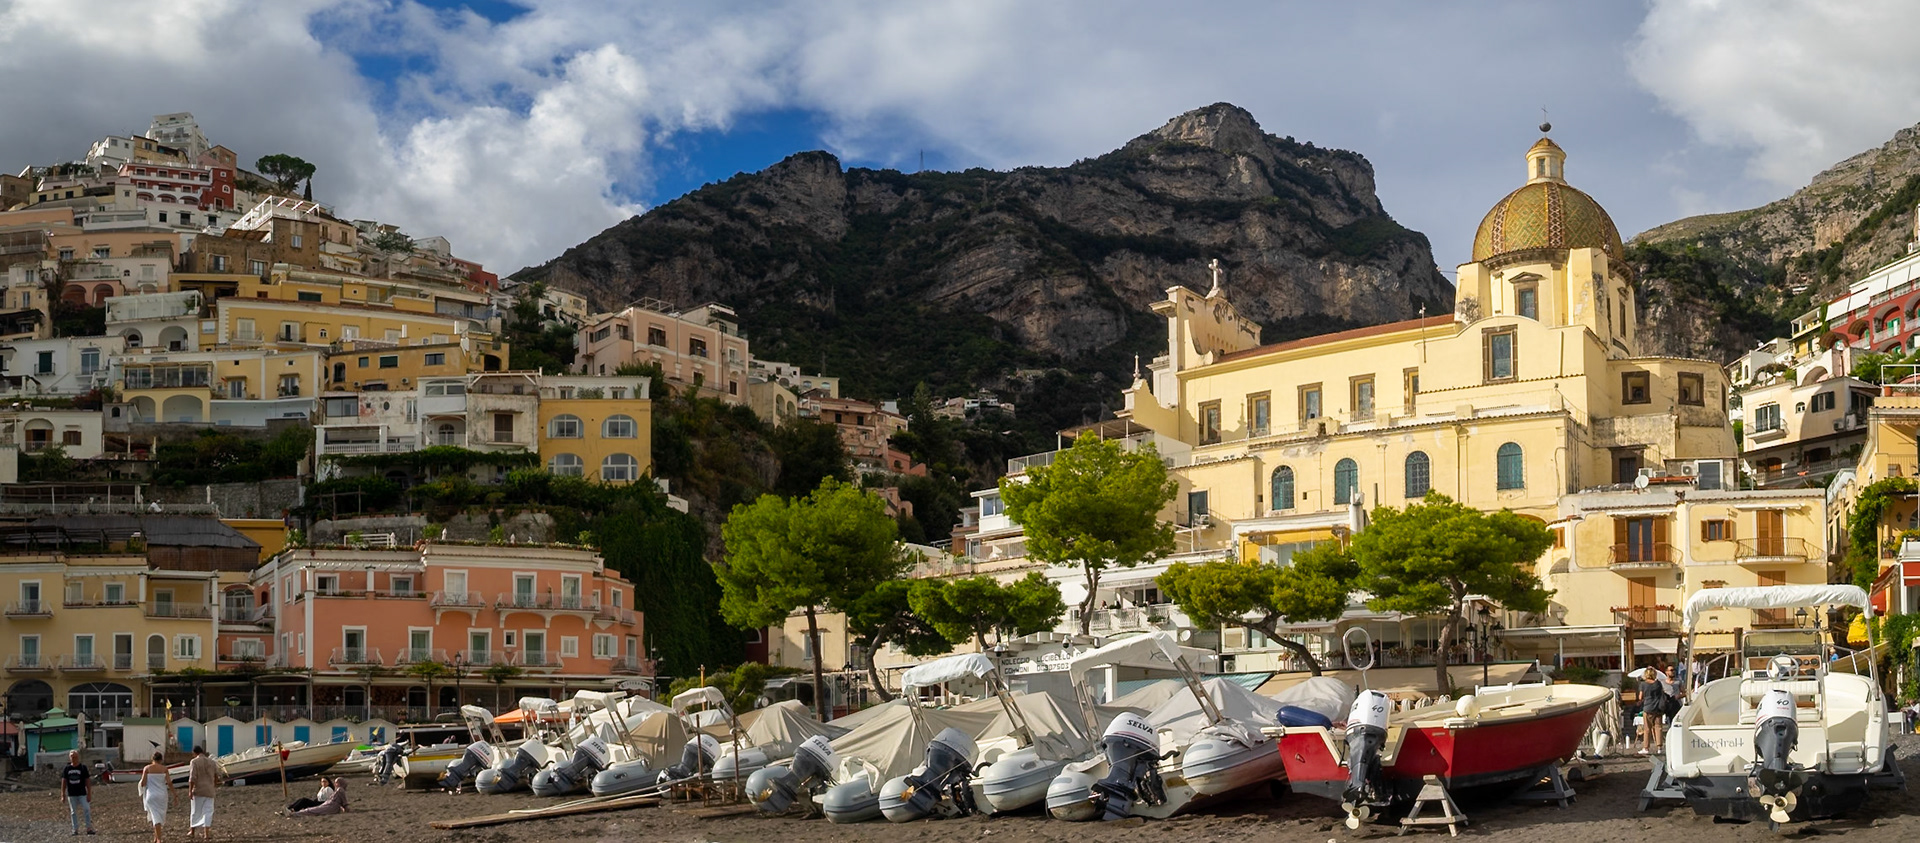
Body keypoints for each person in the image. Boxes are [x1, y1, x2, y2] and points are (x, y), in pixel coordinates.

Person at [186, 745, 221, 840]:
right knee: (208, 811)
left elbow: (192, 778)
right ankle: (206, 833)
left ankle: (192, 831)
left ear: (194, 753)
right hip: (209, 790)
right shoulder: (212, 762)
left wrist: (190, 790)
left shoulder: (194, 762)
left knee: (195, 811)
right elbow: (216, 776)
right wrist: (214, 785)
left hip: (198, 790)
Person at [60, 749, 96, 835]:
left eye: (75, 757)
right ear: (69, 758)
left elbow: (87, 780)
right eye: (72, 757)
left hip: (82, 793)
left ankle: (88, 828)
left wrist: (89, 793)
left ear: (78, 757)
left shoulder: (83, 768)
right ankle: (75, 829)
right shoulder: (67, 768)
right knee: (73, 812)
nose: (74, 759)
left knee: (86, 809)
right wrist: (62, 794)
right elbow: (64, 781)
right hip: (72, 794)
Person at [138, 751, 172, 843]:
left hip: (151, 795)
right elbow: (169, 782)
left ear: (152, 759)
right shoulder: (164, 769)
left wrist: (141, 784)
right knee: (159, 816)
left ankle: (158, 838)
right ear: (161, 760)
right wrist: (175, 794)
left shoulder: (147, 768)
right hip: (162, 795)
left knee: (154, 816)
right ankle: (157, 838)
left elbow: (143, 783)